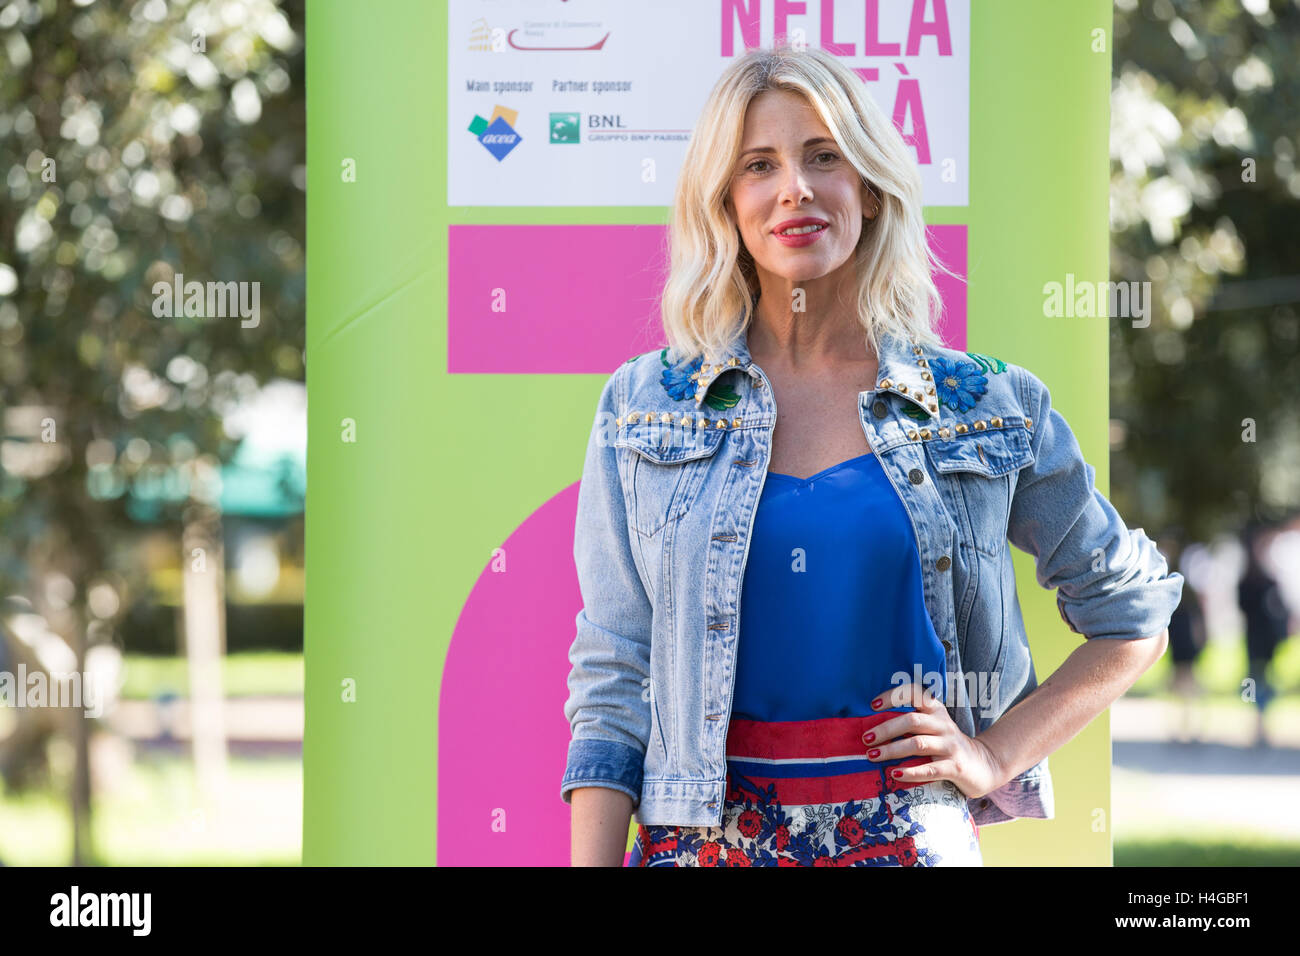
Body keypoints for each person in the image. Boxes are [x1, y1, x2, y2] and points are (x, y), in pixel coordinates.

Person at [560, 44, 1184, 867]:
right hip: (699, 846)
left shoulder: (985, 405)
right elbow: (613, 678)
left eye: (825, 156)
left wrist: (994, 755)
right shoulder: (647, 404)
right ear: (724, 201)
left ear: (871, 184)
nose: (796, 188)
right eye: (759, 165)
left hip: (904, 841)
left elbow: (1132, 614)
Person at [1237, 526, 1291, 748]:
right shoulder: (1251, 582)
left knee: (1264, 683)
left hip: (1266, 641)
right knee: (1253, 683)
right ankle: (1255, 724)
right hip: (1255, 640)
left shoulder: (1269, 580)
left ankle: (1262, 724)